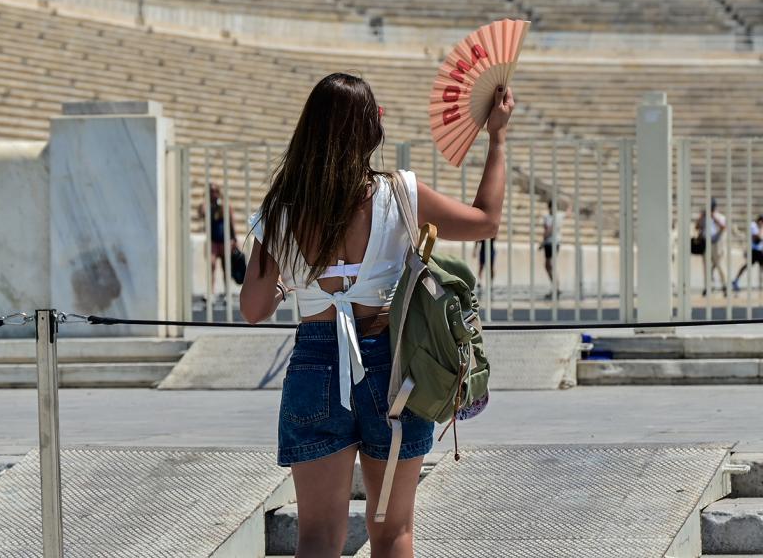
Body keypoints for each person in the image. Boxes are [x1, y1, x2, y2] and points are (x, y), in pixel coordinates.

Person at [240, 73, 513, 557]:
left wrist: (291, 283)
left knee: (318, 536)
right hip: (394, 368)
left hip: (315, 363)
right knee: (393, 532)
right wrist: (497, 138)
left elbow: (253, 309)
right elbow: (486, 221)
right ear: (370, 130)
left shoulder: (282, 208)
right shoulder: (399, 192)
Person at [197, 183, 238, 297]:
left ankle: (227, 292)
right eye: (211, 191)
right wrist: (207, 202)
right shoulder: (206, 206)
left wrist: (234, 239)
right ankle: (211, 291)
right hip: (213, 242)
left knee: (226, 268)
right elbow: (200, 213)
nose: (213, 193)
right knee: (212, 264)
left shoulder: (225, 206)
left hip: (224, 241)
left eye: (215, 191)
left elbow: (232, 223)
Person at [696, 198, 727, 297]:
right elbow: (697, 227)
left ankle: (725, 285)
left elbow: (723, 227)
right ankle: (707, 286)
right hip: (706, 243)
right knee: (706, 266)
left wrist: (713, 217)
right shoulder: (704, 217)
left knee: (719, 265)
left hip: (716, 243)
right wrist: (701, 218)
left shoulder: (720, 217)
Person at [540, 199, 565, 300]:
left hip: (555, 242)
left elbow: (549, 230)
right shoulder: (547, 217)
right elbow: (546, 229)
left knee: (551, 264)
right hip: (548, 243)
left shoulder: (558, 216)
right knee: (547, 265)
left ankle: (556, 287)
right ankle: (555, 286)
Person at [732, 215, 763, 292]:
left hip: (760, 251)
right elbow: (757, 238)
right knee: (746, 266)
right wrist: (761, 228)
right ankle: (736, 280)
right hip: (753, 250)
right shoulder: (753, 225)